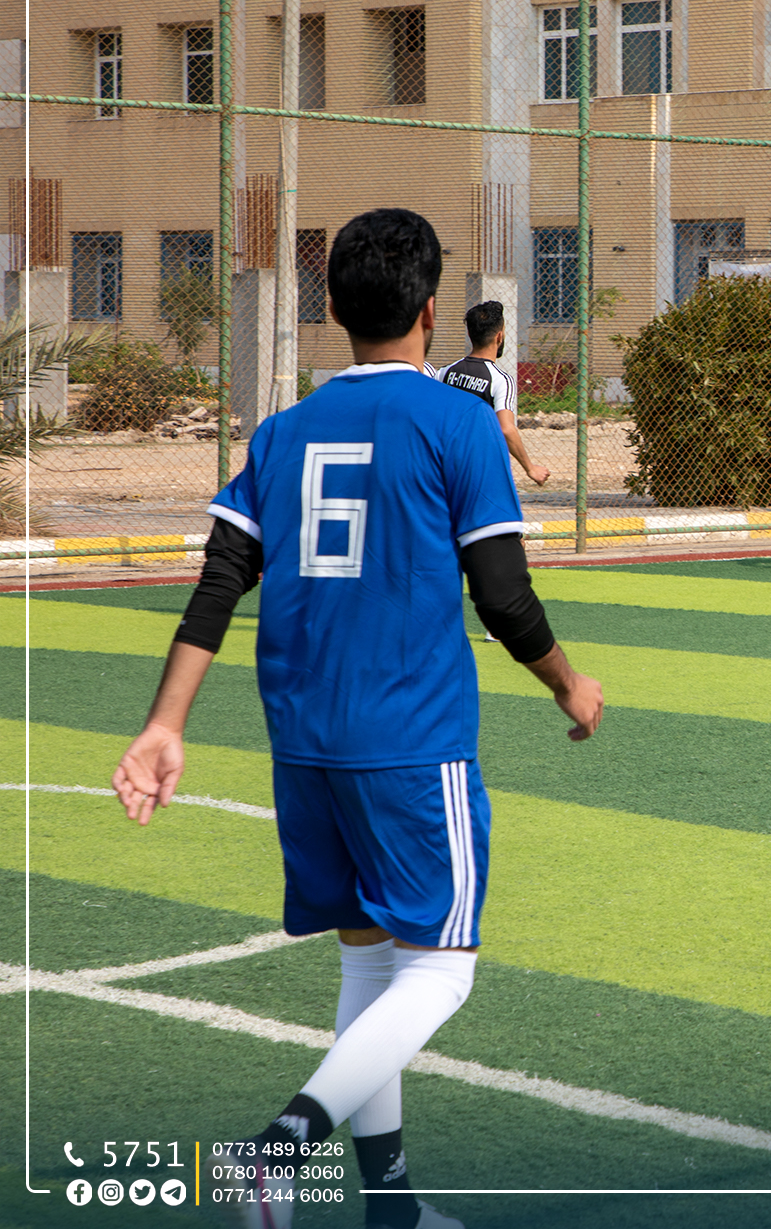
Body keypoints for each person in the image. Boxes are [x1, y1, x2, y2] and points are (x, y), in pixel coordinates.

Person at [111, 209, 606, 1229]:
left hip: (305, 742)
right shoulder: (458, 421)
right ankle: (275, 1152)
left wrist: (164, 724)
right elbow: (504, 596)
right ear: (431, 310)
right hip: (410, 740)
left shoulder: (284, 429)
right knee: (441, 972)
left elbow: (220, 579)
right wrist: (568, 683)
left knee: (370, 960)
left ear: (331, 305)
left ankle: (391, 1206)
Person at [434, 299, 551, 486]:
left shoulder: (444, 372)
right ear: (499, 336)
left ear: (470, 334)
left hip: (444, 467)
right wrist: (530, 468)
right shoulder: (501, 380)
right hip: (479, 472)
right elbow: (506, 429)